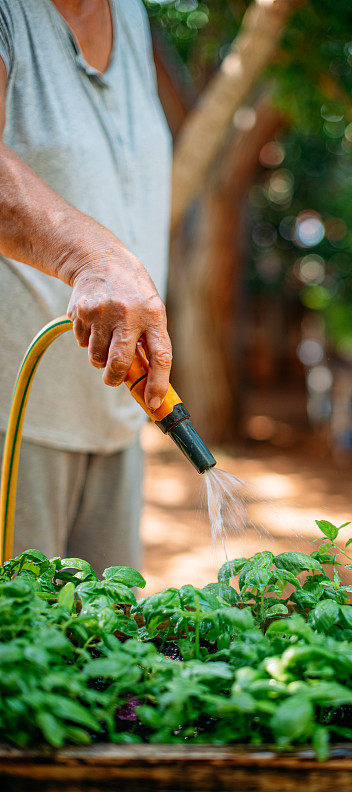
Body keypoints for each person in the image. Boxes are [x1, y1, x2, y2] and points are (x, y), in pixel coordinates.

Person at [0, 0, 173, 574]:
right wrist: (90, 259)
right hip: (16, 418)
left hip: (118, 418)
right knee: (24, 649)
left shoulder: (130, 14)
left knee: (107, 652)